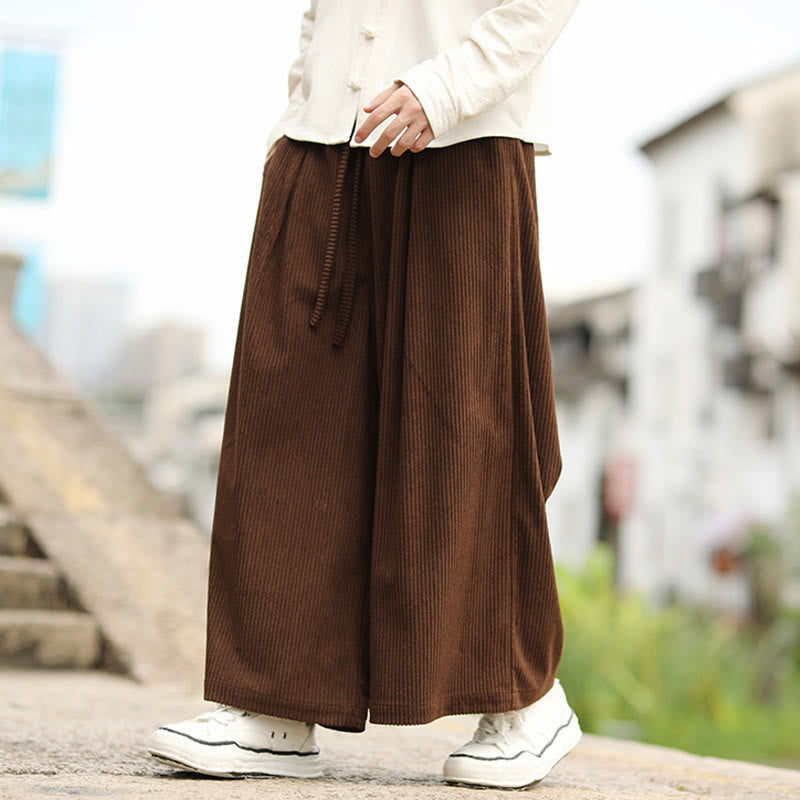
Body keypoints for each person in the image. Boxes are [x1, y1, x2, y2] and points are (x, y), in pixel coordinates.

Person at [148, 0, 583, 789]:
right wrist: (294, 121)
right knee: (288, 421)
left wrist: (444, 89)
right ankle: (276, 703)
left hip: (464, 138)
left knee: (462, 431)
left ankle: (524, 701)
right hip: (322, 146)